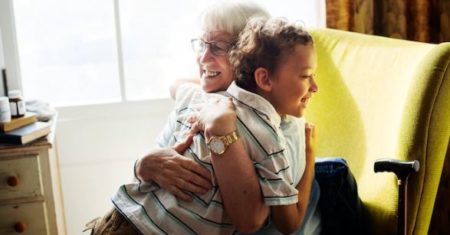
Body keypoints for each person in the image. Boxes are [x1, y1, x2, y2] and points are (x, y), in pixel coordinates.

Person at [112, 17, 319, 235]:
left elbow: (253, 218)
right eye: (202, 45)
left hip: (128, 211)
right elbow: (285, 223)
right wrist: (310, 154)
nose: (203, 57)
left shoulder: (210, 104)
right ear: (263, 78)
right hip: (148, 223)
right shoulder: (265, 135)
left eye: (218, 47)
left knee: (335, 173)